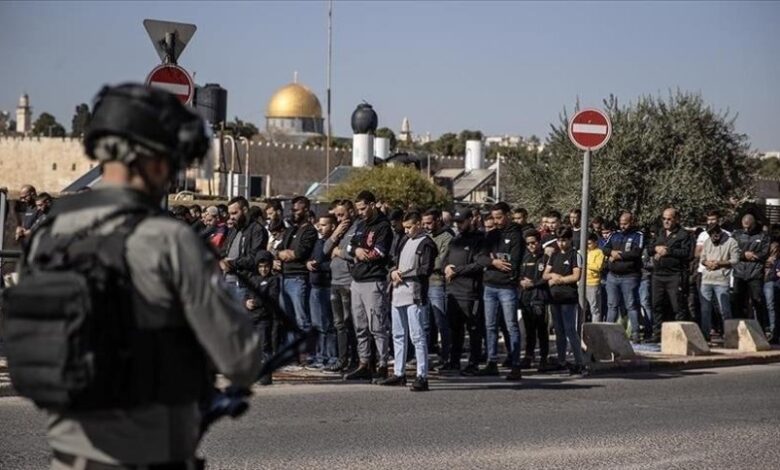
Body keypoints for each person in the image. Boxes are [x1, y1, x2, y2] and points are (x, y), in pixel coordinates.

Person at [6, 83, 262, 469]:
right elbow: (241, 358)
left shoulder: (48, 234)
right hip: (147, 453)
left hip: (69, 453)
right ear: (153, 158)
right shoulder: (168, 239)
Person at [381, 211, 437, 391]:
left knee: (417, 335)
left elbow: (425, 269)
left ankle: (422, 375)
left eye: (409, 227)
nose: (406, 231)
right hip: (397, 293)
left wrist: (403, 274)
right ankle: (399, 372)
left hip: (414, 293)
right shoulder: (404, 240)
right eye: (404, 227)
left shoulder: (427, 243)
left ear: (419, 224)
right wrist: (392, 273)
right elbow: (394, 262)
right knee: (398, 334)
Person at [344, 191, 393, 383]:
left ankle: (382, 365)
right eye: (358, 209)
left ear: (372, 205)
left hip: (374, 281)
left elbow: (380, 251)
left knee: (378, 326)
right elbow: (349, 247)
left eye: (363, 208)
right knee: (360, 326)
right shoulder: (360, 225)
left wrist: (364, 254)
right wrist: (356, 250)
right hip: (357, 281)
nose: (360, 212)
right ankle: (364, 363)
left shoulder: (383, 226)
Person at [478, 202, 523, 381]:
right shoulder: (491, 235)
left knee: (511, 326)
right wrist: (493, 262)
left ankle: (515, 364)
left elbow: (513, 262)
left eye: (499, 217)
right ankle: (491, 361)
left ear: (508, 215)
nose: (496, 221)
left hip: (507, 287)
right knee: (490, 326)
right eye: (494, 218)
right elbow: (480, 257)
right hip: (489, 285)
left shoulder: (516, 235)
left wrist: (497, 260)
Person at [443, 207, 486, 375]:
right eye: (457, 223)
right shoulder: (455, 240)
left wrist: (457, 271)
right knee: (455, 329)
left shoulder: (480, 240)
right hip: (453, 291)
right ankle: (454, 361)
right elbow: (445, 260)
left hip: (470, 293)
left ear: (471, 220)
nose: (459, 225)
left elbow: (479, 264)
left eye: (462, 222)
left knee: (474, 330)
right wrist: (446, 267)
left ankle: (473, 363)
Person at [276, 196, 318, 354]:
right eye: (292, 209)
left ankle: (307, 353)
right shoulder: (290, 230)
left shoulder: (309, 231)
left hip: (298, 278)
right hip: (284, 277)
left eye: (296, 209)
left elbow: (300, 253)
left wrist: (288, 254)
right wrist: (283, 254)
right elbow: (278, 249)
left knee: (302, 319)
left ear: (306, 210)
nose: (293, 212)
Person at [543, 226, 587, 375]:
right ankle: (561, 360)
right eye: (559, 240)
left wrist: (560, 280)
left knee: (570, 330)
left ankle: (580, 362)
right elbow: (545, 275)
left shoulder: (575, 255)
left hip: (568, 297)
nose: (562, 243)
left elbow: (576, 276)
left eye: (564, 240)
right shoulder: (554, 255)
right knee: (559, 331)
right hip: (554, 298)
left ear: (569, 240)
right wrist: (553, 276)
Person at [324, 200, 360, 372]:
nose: (339, 219)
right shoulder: (340, 231)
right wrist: (335, 234)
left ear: (351, 212)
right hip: (335, 282)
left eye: (342, 215)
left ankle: (356, 359)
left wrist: (339, 252)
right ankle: (342, 358)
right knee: (339, 323)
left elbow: (357, 255)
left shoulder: (357, 229)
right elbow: (325, 250)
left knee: (350, 322)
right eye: (336, 216)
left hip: (349, 282)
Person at [648, 208, 692, 343]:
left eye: (669, 219)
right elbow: (649, 248)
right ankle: (657, 334)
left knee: (677, 306)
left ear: (676, 219)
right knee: (657, 304)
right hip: (658, 275)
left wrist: (669, 251)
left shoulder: (683, 234)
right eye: (664, 218)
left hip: (674, 275)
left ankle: (680, 335)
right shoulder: (659, 233)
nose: (666, 221)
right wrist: (655, 248)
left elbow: (687, 253)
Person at [602, 212, 644, 342]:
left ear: (631, 222)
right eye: (621, 223)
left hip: (629, 276)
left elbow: (637, 252)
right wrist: (612, 252)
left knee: (631, 305)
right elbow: (605, 248)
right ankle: (608, 333)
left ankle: (636, 333)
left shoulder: (638, 235)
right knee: (612, 305)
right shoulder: (614, 235)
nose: (622, 226)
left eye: (625, 223)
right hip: (613, 276)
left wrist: (620, 256)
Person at [220, 196, 268, 302]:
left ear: (245, 210)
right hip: (228, 280)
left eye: (234, 213)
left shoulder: (257, 230)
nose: (231, 217)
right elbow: (224, 250)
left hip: (245, 282)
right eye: (230, 213)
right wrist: (221, 260)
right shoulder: (234, 229)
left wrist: (232, 263)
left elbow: (254, 257)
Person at [245, 250, 282, 385]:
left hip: (265, 318)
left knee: (265, 346)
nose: (263, 269)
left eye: (266, 266)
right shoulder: (253, 279)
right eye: (260, 267)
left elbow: (272, 298)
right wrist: (246, 302)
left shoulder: (273, 280)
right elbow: (247, 294)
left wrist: (257, 302)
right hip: (252, 317)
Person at [422, 208, 453, 369]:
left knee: (441, 322)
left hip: (437, 283)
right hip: (423, 283)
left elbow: (441, 262)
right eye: (424, 223)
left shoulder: (446, 238)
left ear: (438, 220)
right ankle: (424, 358)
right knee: (424, 324)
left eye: (429, 223)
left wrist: (423, 265)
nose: (426, 226)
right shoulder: (423, 237)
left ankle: (446, 357)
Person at [699, 225, 740, 342]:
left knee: (724, 310)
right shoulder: (707, 242)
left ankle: (729, 335)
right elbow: (702, 258)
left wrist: (720, 263)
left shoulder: (731, 242)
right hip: (706, 279)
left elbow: (735, 260)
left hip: (721, 280)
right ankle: (705, 336)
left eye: (716, 235)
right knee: (705, 310)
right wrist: (707, 263)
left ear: (720, 233)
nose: (714, 238)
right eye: (711, 235)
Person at [307, 214, 338, 369]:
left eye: (324, 224)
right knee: (317, 325)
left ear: (333, 226)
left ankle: (331, 357)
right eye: (319, 224)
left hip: (328, 286)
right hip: (315, 286)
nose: (320, 227)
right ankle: (320, 357)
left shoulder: (334, 243)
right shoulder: (318, 242)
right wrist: (309, 264)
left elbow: (333, 264)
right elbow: (313, 258)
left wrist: (320, 266)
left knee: (329, 325)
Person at [518, 230, 550, 371]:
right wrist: (521, 281)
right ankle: (528, 356)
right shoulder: (523, 257)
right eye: (528, 244)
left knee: (542, 329)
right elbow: (517, 273)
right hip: (525, 297)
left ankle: (544, 358)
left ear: (539, 242)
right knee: (529, 329)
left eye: (533, 243)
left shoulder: (546, 257)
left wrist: (534, 283)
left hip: (540, 297)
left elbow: (547, 277)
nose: (531, 246)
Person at [732, 213, 770, 329]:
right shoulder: (736, 235)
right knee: (738, 301)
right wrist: (744, 254)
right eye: (745, 226)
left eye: (749, 226)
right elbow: (733, 251)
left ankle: (761, 329)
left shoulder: (763, 236)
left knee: (758, 301)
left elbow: (764, 253)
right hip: (739, 272)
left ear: (754, 224)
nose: (747, 228)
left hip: (755, 273)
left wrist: (755, 256)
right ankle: (739, 328)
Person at [585, 232, 605, 323]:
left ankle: (595, 328)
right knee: (582, 308)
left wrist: (587, 264)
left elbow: (598, 267)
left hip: (593, 283)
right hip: (582, 283)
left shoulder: (599, 252)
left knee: (595, 308)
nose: (587, 245)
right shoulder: (583, 251)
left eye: (589, 243)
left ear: (595, 243)